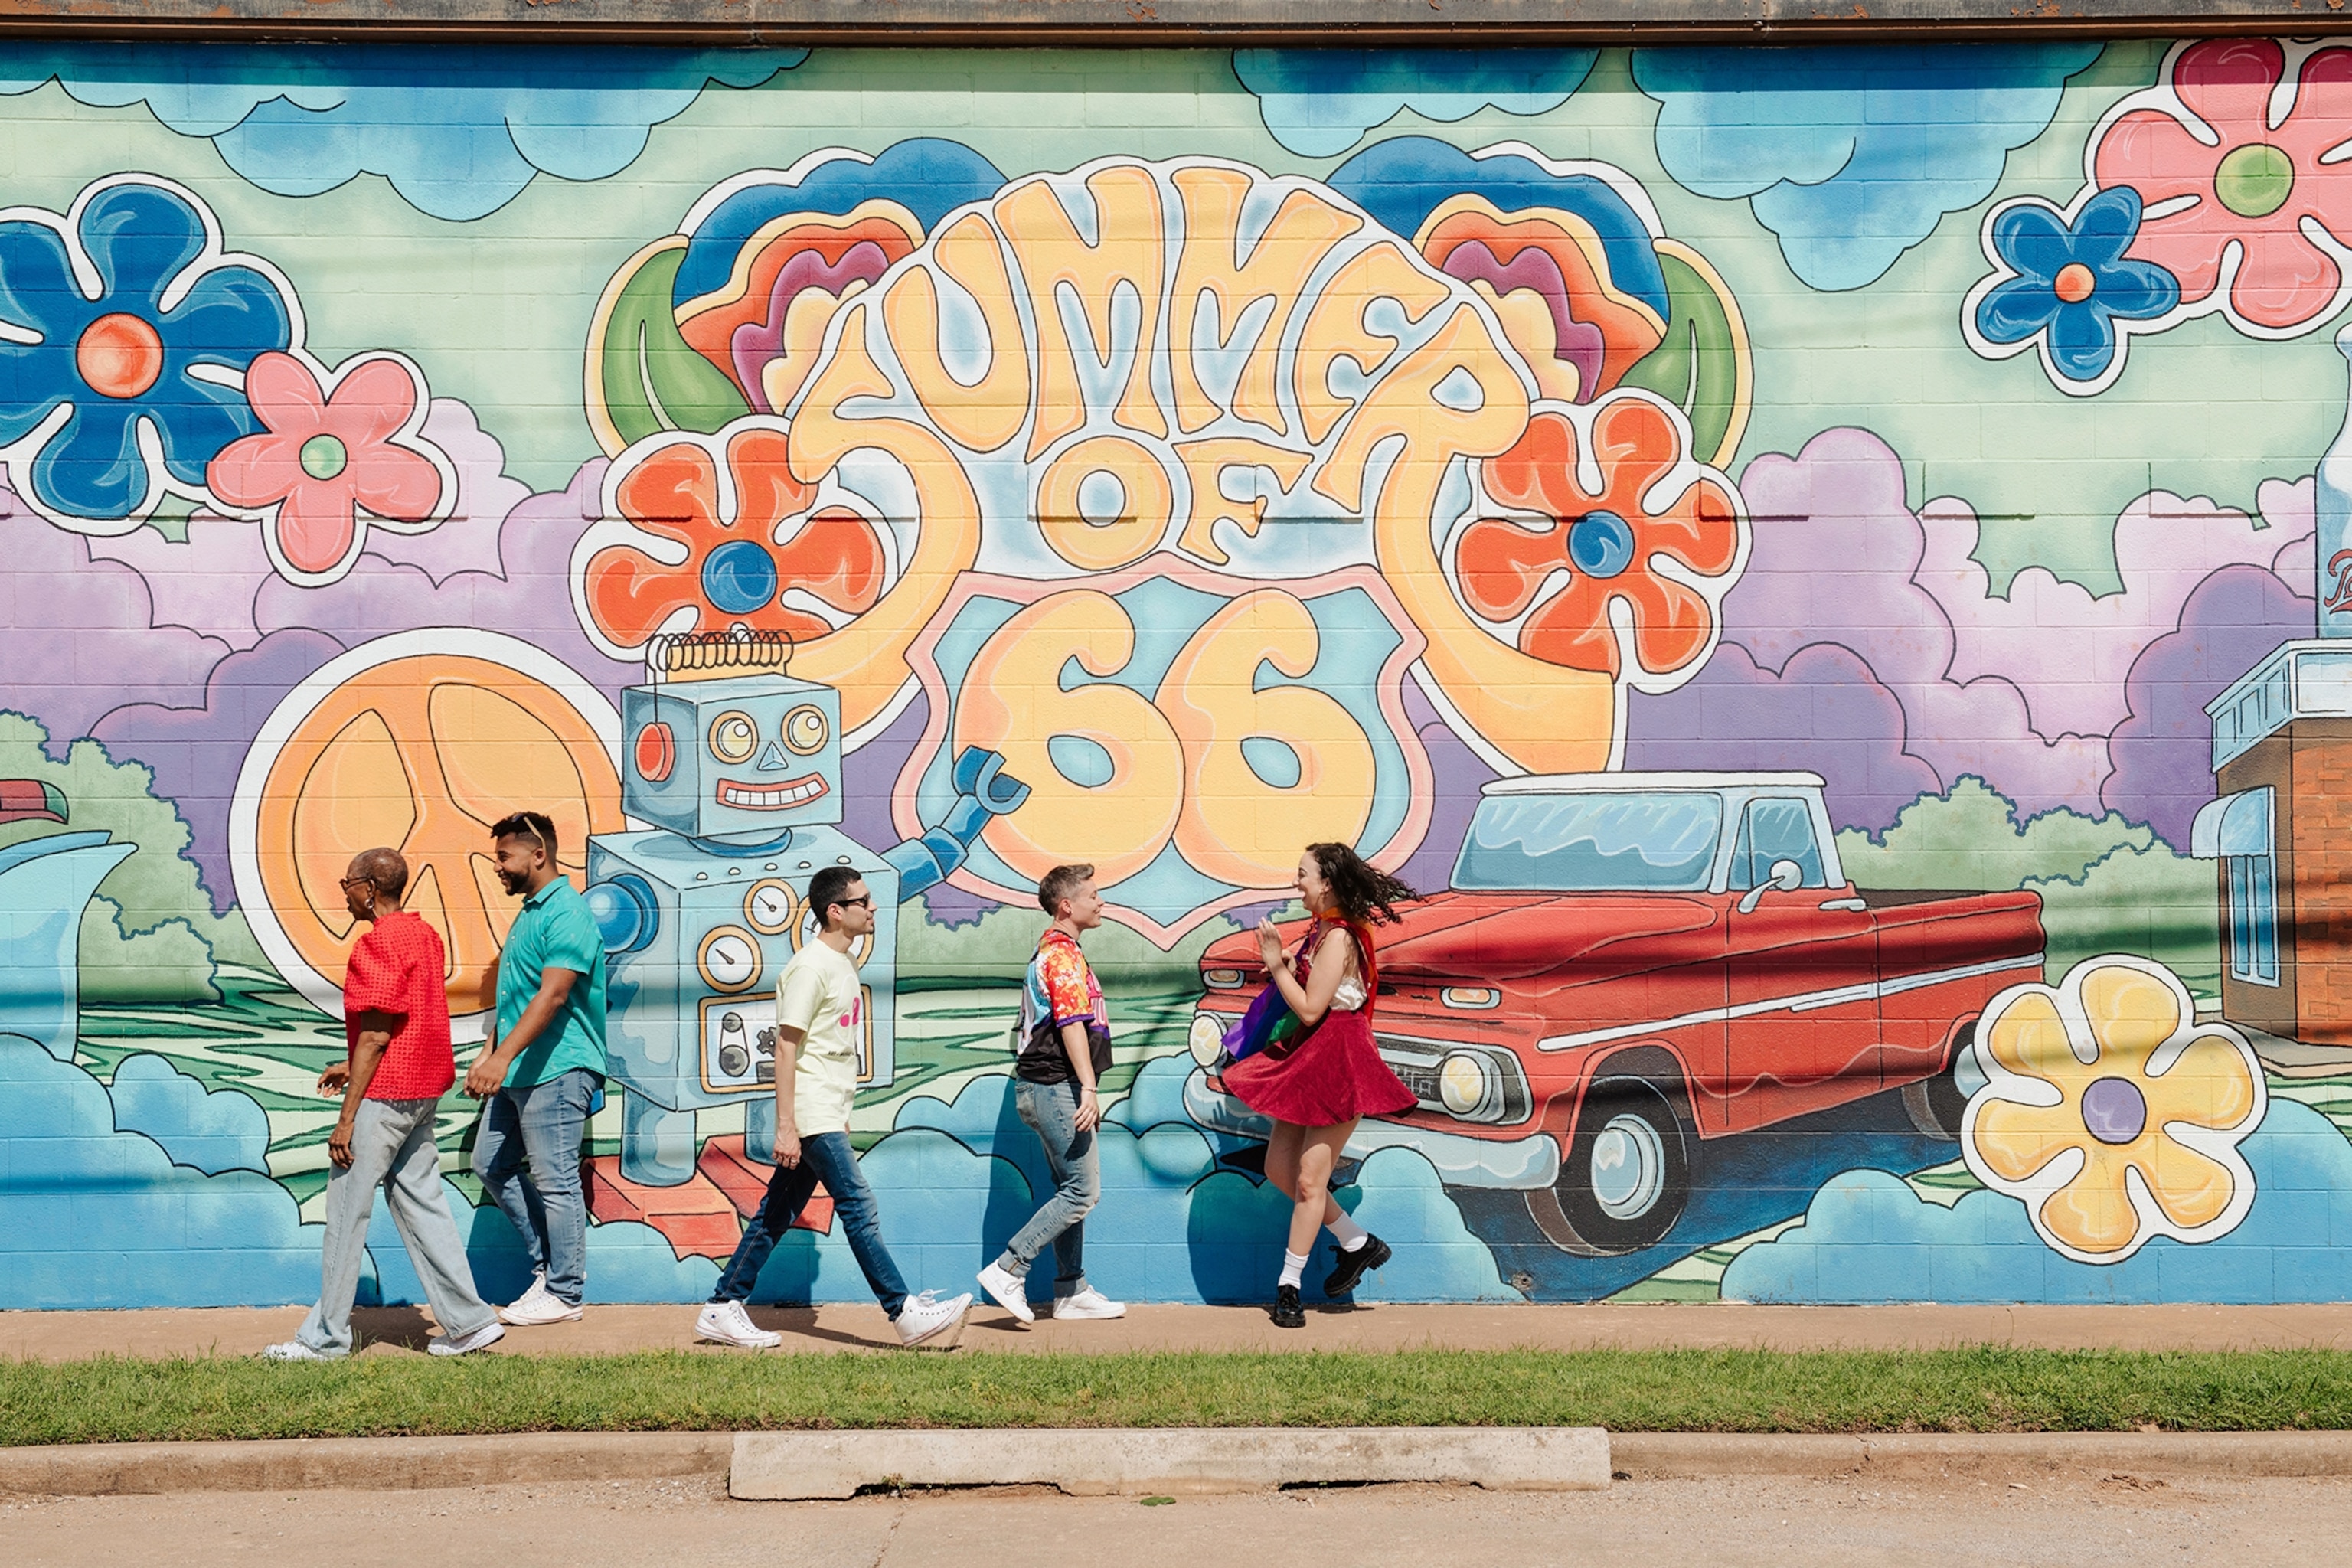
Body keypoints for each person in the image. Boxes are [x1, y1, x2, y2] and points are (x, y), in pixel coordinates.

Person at [694, 865, 973, 1350]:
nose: (874, 908)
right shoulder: (810, 967)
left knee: (775, 1213)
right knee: (858, 1206)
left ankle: (722, 1305)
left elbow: (830, 1046)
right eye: (864, 901)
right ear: (835, 911)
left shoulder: (843, 963)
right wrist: (787, 1125)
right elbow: (784, 1047)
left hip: (825, 1109)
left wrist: (839, 1109)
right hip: (809, 1110)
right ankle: (903, 1312)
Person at [266, 848, 504, 1361]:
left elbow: (376, 1035)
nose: (343, 890)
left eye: (348, 881)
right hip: (422, 1091)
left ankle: (324, 1338)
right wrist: (352, 1064)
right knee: (424, 1205)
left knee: (347, 1212)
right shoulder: (425, 936)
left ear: (370, 888)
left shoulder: (375, 945)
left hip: (387, 1094)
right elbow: (408, 1019)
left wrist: (345, 1120)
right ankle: (469, 1323)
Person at [1217, 842, 1419, 1328]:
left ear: (1326, 882)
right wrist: (1287, 963)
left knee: (1308, 1179)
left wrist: (1278, 963)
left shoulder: (1340, 939)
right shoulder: (1322, 930)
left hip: (1339, 1061)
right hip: (1310, 1057)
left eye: (1303, 874)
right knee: (1279, 1168)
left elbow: (1310, 1008)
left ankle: (1288, 1288)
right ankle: (1356, 1242)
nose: (1296, 882)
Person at [466, 811, 608, 1327]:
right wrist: (491, 1054)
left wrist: (500, 1058)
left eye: (504, 856)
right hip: (519, 1069)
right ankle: (550, 1272)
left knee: (556, 1181)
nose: (498, 867)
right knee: (491, 1163)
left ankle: (567, 1292)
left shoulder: (567, 913)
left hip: (559, 1066)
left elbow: (553, 994)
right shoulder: (529, 913)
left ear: (539, 854)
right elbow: (518, 998)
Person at [975, 864, 1127, 1325]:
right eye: (1093, 895)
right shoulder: (1061, 957)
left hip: (1049, 1087)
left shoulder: (1062, 953)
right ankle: (1009, 1268)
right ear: (1068, 906)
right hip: (1055, 1086)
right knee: (1082, 1192)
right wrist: (1088, 1086)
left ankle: (1071, 1290)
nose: (1101, 902)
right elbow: (1071, 1025)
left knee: (1071, 1188)